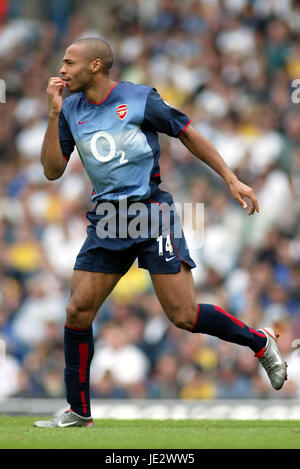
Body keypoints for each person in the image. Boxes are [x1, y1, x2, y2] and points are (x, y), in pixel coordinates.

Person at [34, 38, 287, 428]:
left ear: (96, 66)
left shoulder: (140, 100)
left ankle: (259, 342)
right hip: (108, 220)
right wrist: (53, 115)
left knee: (184, 316)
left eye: (69, 62)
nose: (62, 69)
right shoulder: (69, 109)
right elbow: (52, 170)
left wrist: (230, 179)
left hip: (150, 213)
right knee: (77, 310)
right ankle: (78, 409)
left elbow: (187, 132)